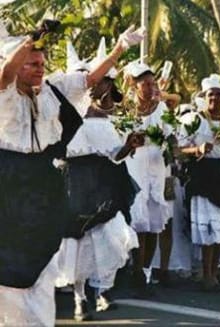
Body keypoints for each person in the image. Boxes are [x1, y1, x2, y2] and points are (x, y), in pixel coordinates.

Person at [0, 24, 144, 326]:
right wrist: (29, 40)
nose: (40, 69)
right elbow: (6, 73)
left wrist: (119, 48)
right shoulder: (5, 91)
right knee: (8, 263)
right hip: (8, 181)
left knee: (42, 259)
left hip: (43, 183)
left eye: (42, 63)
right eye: (32, 63)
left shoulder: (53, 90)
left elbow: (90, 79)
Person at [54, 39, 141, 321]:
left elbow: (115, 154)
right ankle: (80, 299)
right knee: (77, 243)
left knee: (109, 236)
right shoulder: (57, 114)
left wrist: (129, 145)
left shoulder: (102, 117)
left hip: (101, 183)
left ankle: (101, 290)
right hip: (72, 181)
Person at [123, 60, 174, 293]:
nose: (151, 88)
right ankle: (134, 271)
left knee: (154, 223)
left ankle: (145, 272)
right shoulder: (125, 110)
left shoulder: (161, 109)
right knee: (138, 222)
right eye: (145, 84)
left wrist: (171, 145)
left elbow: (171, 135)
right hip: (135, 166)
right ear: (134, 86)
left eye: (153, 83)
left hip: (156, 166)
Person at [179, 74, 220, 291]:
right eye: (211, 95)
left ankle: (214, 273)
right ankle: (207, 274)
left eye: (219, 95)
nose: (215, 99)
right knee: (208, 229)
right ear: (205, 96)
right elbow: (178, 149)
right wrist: (198, 150)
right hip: (203, 174)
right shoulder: (195, 120)